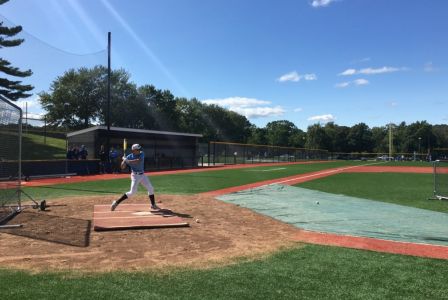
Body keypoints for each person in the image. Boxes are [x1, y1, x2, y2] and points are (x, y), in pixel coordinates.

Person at [111, 144, 159, 211]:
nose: (140, 150)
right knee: (132, 192)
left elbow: (138, 161)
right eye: (138, 150)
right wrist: (124, 161)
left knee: (151, 188)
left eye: (139, 149)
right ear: (133, 150)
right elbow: (122, 167)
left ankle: (153, 205)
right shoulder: (129, 156)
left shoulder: (141, 154)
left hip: (142, 175)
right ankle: (116, 203)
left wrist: (127, 161)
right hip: (135, 176)